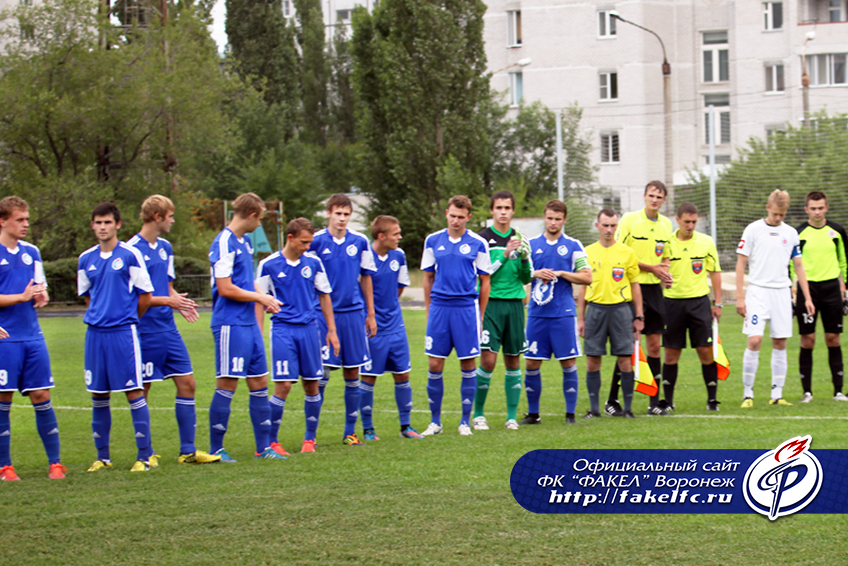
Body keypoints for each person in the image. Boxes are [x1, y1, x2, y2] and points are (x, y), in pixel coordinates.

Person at [128, 195, 220, 464]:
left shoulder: (165, 247)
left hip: (167, 328)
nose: (173, 220)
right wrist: (168, 300)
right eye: (170, 216)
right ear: (157, 217)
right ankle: (145, 453)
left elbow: (165, 288)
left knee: (187, 383)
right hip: (143, 331)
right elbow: (134, 296)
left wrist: (178, 302)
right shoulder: (131, 250)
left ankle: (187, 451)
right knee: (142, 390)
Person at [78, 202, 157, 472]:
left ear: (118, 225)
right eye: (98, 222)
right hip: (95, 336)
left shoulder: (131, 255)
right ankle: (102, 457)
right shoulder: (85, 259)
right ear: (92, 225)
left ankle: (144, 457)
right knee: (98, 395)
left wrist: (125, 317)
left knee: (134, 391)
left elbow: (145, 296)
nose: (103, 227)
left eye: (108, 222)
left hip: (123, 333)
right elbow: (88, 297)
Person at [208, 193, 285, 462]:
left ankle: (263, 448)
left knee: (260, 382)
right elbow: (225, 287)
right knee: (228, 383)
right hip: (229, 323)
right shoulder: (224, 242)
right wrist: (259, 298)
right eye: (260, 219)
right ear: (251, 215)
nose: (259, 225)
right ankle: (216, 448)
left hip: (248, 323)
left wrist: (265, 297)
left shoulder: (244, 243)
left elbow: (247, 281)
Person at [256, 218, 340, 454]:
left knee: (312, 385)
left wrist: (331, 331)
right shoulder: (268, 264)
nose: (307, 246)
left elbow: (324, 296)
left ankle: (309, 440)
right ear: (290, 238)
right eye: (303, 242)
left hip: (310, 330)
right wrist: (258, 333)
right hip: (283, 329)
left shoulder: (313, 262)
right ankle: (272, 442)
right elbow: (258, 300)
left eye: (310, 242)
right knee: (283, 385)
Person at [0, 196, 66, 481]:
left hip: (33, 336)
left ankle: (55, 464)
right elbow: (17, 295)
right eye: (19, 219)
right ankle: (5, 467)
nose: (26, 224)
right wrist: (21, 296)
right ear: (3, 221)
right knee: (3, 400)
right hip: (5, 337)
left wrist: (41, 295)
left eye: (27, 219)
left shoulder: (32, 252)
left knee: (42, 395)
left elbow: (40, 289)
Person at [309, 194, 377, 446]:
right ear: (328, 213)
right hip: (324, 316)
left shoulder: (360, 241)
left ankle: (350, 431)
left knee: (353, 371)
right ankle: (311, 434)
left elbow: (367, 277)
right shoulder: (315, 241)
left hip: (354, 315)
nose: (341, 218)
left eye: (346, 214)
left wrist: (370, 314)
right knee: (323, 374)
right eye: (337, 213)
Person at [420, 195, 491, 436]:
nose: (456, 220)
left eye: (461, 217)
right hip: (440, 307)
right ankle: (435, 422)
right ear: (446, 214)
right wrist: (429, 309)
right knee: (434, 362)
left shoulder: (479, 243)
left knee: (468, 362)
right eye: (452, 215)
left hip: (465, 309)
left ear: (468, 218)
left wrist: (479, 315)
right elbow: (428, 277)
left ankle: (464, 421)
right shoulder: (432, 240)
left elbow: (485, 281)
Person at [736, 189, 814, 407]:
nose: (779, 218)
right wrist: (740, 297)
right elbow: (741, 263)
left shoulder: (791, 233)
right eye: (776, 213)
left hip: (782, 292)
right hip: (758, 292)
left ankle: (777, 395)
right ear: (768, 208)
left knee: (780, 342)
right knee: (755, 340)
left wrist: (806, 297)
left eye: (783, 214)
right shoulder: (753, 229)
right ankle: (747, 394)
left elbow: (799, 265)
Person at [607, 181, 673, 416]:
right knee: (627, 345)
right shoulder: (629, 221)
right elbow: (619, 253)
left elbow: (665, 259)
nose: (654, 200)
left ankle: (654, 401)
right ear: (644, 196)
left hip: (655, 292)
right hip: (631, 289)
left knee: (654, 346)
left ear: (664, 200)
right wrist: (652, 268)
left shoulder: (666, 225)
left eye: (659, 197)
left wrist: (665, 274)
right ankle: (612, 401)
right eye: (651, 195)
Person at [523, 200, 591, 425]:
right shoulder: (531, 245)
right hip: (537, 313)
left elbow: (587, 277)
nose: (553, 223)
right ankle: (533, 414)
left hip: (563, 314)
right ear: (544, 217)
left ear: (564, 220)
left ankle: (570, 414)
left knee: (568, 362)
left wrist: (562, 273)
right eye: (550, 218)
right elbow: (521, 276)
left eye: (558, 219)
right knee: (532, 362)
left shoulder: (573, 245)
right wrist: (535, 274)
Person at [358, 216, 424, 439]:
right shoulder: (364, 255)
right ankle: (368, 429)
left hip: (396, 325)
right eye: (395, 234)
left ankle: (406, 426)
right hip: (373, 327)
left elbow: (399, 287)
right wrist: (371, 314)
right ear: (381, 236)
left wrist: (389, 308)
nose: (400, 237)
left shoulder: (399, 255)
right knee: (369, 376)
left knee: (402, 374)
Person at [473, 191, 533, 431]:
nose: (503, 212)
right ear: (492, 211)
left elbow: (526, 277)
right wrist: (506, 256)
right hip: (491, 304)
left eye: (507, 208)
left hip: (515, 305)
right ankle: (478, 415)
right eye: (499, 207)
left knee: (513, 359)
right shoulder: (481, 240)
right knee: (488, 360)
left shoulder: (521, 239)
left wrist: (526, 261)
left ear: (512, 211)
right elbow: (484, 274)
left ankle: (510, 417)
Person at [578, 209, 643, 419]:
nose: (609, 230)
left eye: (613, 225)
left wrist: (639, 316)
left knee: (625, 359)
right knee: (592, 360)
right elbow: (581, 288)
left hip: (621, 311)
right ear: (597, 225)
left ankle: (628, 408)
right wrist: (581, 318)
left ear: (617, 227)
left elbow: (635, 286)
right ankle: (594, 409)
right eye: (605, 225)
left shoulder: (627, 253)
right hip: (595, 310)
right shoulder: (586, 252)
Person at [661, 203, 723, 412]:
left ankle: (712, 400)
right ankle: (668, 402)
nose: (690, 225)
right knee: (671, 354)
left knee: (705, 352)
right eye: (687, 221)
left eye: (694, 222)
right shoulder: (666, 242)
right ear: (677, 220)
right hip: (671, 303)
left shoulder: (706, 242)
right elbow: (659, 270)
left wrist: (718, 303)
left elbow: (715, 272)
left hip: (699, 303)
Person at [794, 191, 848, 403]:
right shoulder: (798, 233)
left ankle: (838, 391)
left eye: (821, 208)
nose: (817, 212)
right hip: (808, 291)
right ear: (807, 209)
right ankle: (807, 392)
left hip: (832, 290)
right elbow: (792, 264)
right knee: (808, 340)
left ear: (826, 208)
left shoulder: (837, 231)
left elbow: (844, 262)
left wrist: (846, 290)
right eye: (813, 208)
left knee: (832, 339)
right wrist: (795, 288)